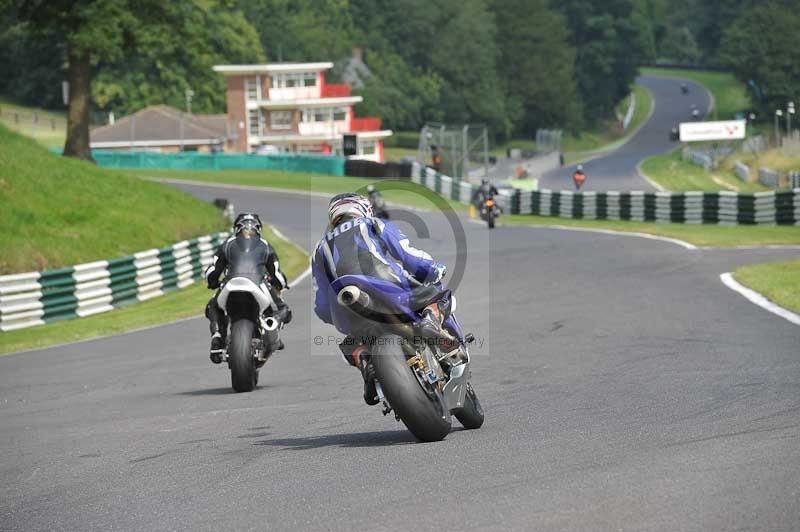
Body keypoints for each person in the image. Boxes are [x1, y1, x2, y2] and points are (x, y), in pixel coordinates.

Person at [312, 193, 463, 405]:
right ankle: (430, 320)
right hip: (391, 289)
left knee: (350, 344)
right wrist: (432, 270)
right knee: (439, 296)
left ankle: (365, 362)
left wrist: (335, 316)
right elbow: (408, 255)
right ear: (363, 209)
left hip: (348, 308)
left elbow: (321, 306)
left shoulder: (319, 249)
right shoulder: (374, 223)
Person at [204, 213, 291, 363]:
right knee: (283, 309)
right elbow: (277, 275)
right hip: (258, 284)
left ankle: (217, 336)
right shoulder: (265, 245)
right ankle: (272, 325)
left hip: (230, 284)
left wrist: (213, 283)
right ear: (259, 228)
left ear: (236, 228)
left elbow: (212, 271)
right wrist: (281, 285)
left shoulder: (227, 244)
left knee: (213, 306)